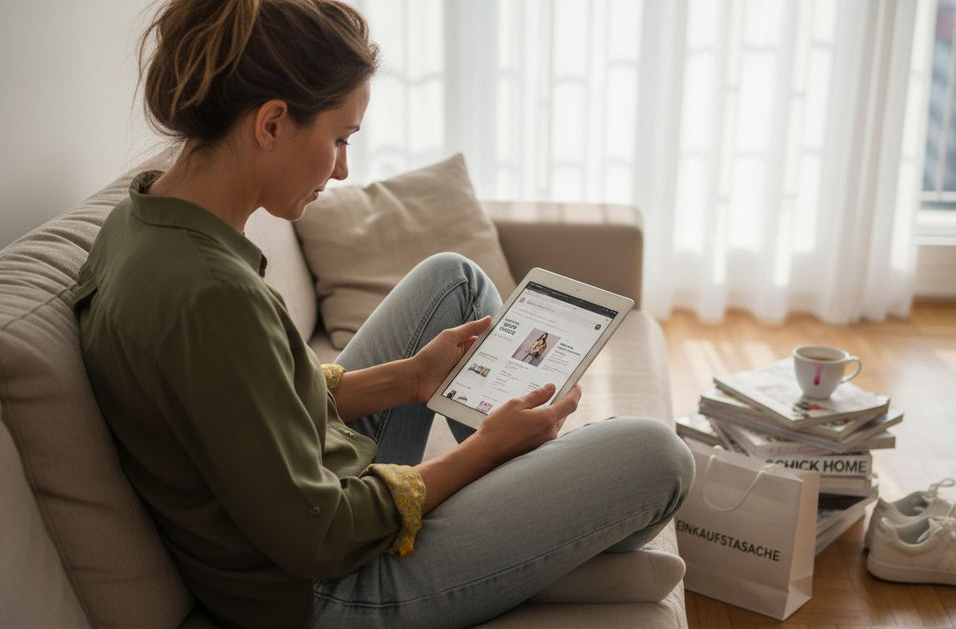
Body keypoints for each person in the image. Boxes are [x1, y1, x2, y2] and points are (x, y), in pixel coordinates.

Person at [73, 1, 694, 628]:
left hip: (318, 497)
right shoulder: (211, 295)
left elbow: (247, 405)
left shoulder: (138, 221)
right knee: (657, 457)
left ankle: (530, 501)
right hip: (329, 586)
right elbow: (323, 535)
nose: (344, 167)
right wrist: (483, 452)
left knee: (453, 280)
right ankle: (534, 506)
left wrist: (410, 379)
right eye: (339, 138)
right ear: (271, 123)